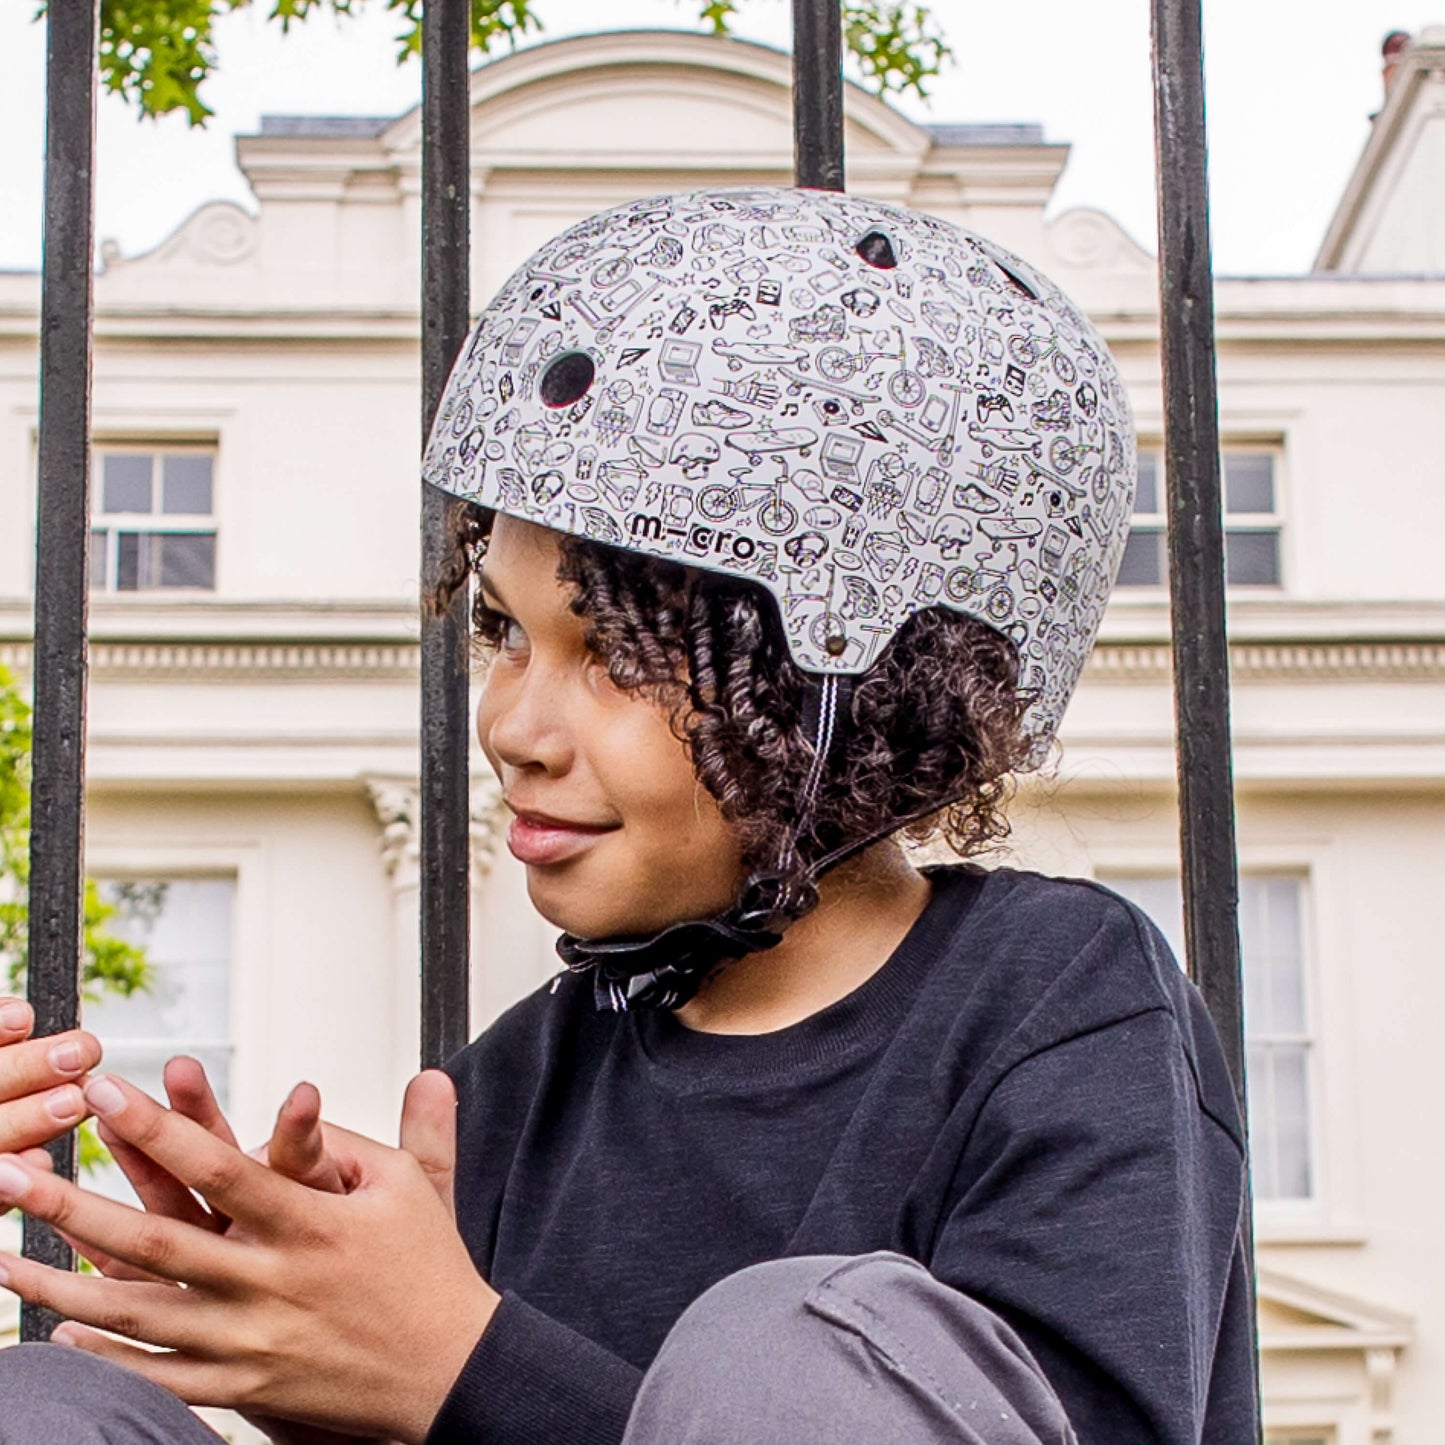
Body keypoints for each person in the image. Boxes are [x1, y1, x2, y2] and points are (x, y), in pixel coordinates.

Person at [0, 187, 1259, 1444]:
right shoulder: (517, 1082)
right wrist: (334, 1361)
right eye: (504, 630)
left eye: (614, 652)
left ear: (846, 689)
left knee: (784, 1345)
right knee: (44, 1404)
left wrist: (462, 1363)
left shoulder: (1059, 1001)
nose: (513, 728)